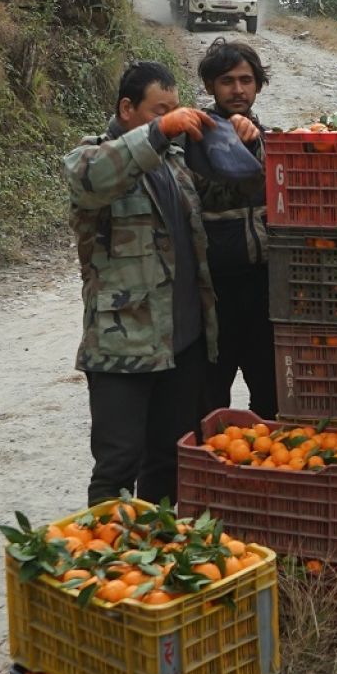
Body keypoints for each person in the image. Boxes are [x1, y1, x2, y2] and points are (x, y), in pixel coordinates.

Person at [61, 61, 222, 507]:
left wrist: (246, 134)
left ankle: (156, 559)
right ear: (126, 108)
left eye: (173, 110)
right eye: (158, 111)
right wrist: (159, 132)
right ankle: (111, 567)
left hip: (180, 343)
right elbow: (90, 181)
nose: (168, 120)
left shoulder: (174, 163)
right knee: (117, 468)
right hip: (123, 347)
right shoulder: (92, 158)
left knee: (169, 462)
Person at [191, 37, 277, 419]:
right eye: (227, 80)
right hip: (212, 293)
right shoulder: (191, 139)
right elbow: (207, 192)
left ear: (257, 85)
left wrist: (256, 146)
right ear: (210, 86)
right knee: (208, 398)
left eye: (246, 80)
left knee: (272, 397)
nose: (238, 89)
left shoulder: (272, 140)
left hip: (265, 288)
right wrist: (231, 146)